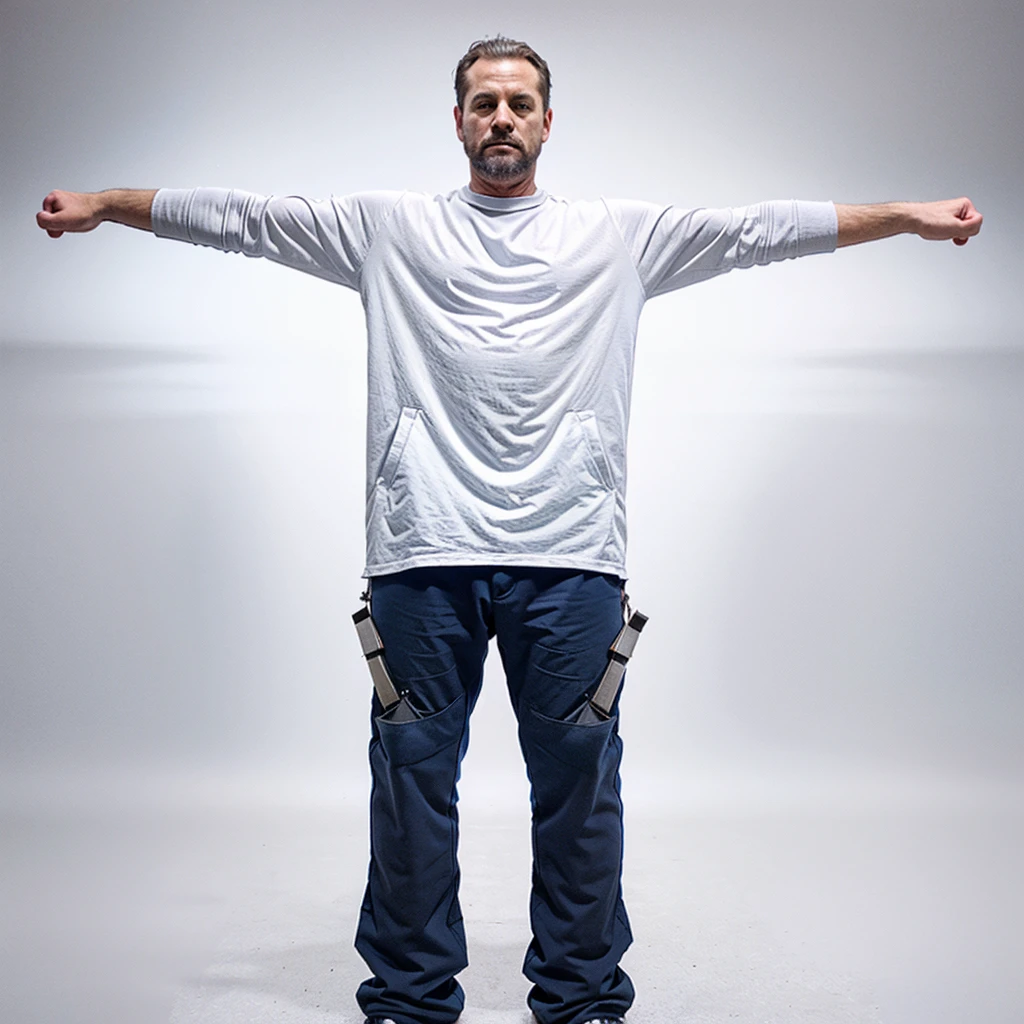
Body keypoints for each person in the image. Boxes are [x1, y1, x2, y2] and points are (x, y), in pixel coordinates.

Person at [36, 35, 982, 1024]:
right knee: (411, 786)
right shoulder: (386, 230)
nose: (500, 118)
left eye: (518, 103)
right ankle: (407, 996)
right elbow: (243, 220)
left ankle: (579, 999)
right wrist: (105, 204)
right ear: (456, 121)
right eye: (482, 102)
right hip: (421, 559)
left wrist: (907, 220)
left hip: (571, 565)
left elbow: (756, 231)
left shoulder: (615, 236)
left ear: (544, 121)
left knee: (578, 791)